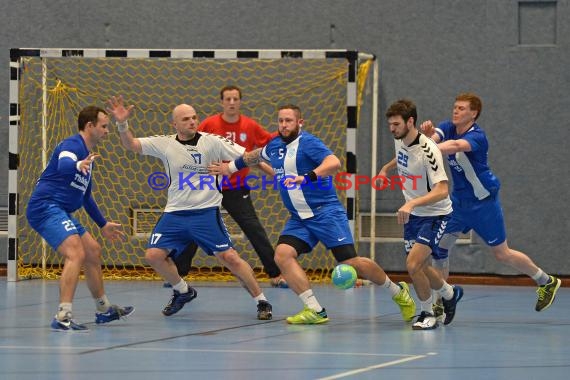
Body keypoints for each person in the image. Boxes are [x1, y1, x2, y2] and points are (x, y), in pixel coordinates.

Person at [209, 104, 416, 324]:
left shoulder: (309, 143)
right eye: (280, 121)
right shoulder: (275, 146)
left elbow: (333, 162)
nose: (284, 125)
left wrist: (307, 177)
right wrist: (229, 168)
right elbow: (254, 156)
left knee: (351, 261)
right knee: (282, 255)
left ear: (299, 123)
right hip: (299, 218)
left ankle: (397, 290)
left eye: (289, 120)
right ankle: (315, 310)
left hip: (326, 213)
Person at [107, 96, 273, 320]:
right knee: (153, 255)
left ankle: (261, 301)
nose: (192, 122)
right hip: (175, 213)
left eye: (195, 117)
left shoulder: (213, 141)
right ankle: (183, 291)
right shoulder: (165, 143)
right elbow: (131, 144)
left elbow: (247, 157)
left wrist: (275, 175)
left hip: (205, 212)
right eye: (186, 119)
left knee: (230, 257)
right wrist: (122, 124)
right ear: (174, 124)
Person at [420, 92, 561, 312]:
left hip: (483, 202)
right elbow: (435, 138)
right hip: (458, 204)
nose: (456, 111)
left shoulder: (478, 136)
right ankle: (443, 299)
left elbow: (455, 146)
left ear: (473, 113)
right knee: (439, 249)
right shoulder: (447, 126)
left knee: (501, 254)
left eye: (462, 108)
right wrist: (425, 138)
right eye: (455, 107)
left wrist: (426, 146)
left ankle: (546, 281)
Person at [26, 106, 134, 332]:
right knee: (76, 252)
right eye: (104, 126)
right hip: (45, 207)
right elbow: (65, 163)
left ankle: (103, 310)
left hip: (61, 211)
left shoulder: (88, 157)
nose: (107, 131)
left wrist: (103, 224)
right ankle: (63, 316)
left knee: (92, 250)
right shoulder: (72, 145)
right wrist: (77, 164)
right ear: (89, 126)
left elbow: (85, 196)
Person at [172, 85, 287, 288]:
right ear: (222, 102)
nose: (232, 102)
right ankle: (178, 274)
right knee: (195, 229)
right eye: (228, 99)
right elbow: (193, 145)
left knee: (254, 229)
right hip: (209, 187)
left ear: (240, 102)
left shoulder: (250, 126)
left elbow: (265, 148)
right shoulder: (210, 124)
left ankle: (275, 273)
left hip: (236, 188)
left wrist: (288, 134)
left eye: (235, 99)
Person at [379, 99, 463, 330]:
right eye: (390, 124)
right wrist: (386, 169)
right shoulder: (401, 139)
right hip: (414, 213)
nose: (392, 129)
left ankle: (428, 313)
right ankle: (449, 292)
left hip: (436, 214)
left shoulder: (429, 150)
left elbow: (443, 189)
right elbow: (403, 156)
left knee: (413, 264)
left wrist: (411, 203)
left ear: (410, 121)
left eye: (396, 124)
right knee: (422, 266)